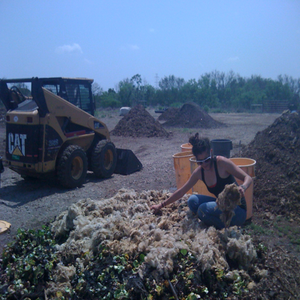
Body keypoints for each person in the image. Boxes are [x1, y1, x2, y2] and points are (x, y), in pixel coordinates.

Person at [150, 134, 253, 229]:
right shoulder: (199, 172)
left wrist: (243, 187)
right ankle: (213, 221)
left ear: (211, 153)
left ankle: (224, 227)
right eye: (200, 162)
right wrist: (161, 205)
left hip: (236, 210)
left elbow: (248, 178)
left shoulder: (221, 163)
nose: (204, 164)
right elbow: (182, 191)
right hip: (221, 206)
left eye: (207, 160)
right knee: (192, 200)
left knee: (202, 210)